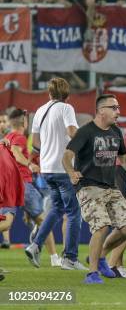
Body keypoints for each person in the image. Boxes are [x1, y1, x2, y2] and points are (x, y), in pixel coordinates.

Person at [63, 94, 126, 284]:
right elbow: (67, 156)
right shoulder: (85, 132)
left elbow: (124, 159)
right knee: (101, 227)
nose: (118, 112)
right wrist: (71, 172)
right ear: (101, 110)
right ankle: (92, 273)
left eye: (118, 108)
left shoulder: (116, 132)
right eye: (114, 108)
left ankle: (101, 257)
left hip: (110, 187)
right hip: (88, 186)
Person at [25, 78, 83, 271]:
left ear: (49, 93)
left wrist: (49, 151)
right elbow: (73, 132)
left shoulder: (40, 111)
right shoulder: (66, 108)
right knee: (74, 213)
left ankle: (35, 245)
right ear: (67, 95)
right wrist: (88, 138)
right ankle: (71, 258)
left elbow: (35, 143)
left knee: (57, 209)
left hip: (47, 169)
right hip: (63, 168)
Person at [1, 109, 60, 266]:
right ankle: (54, 258)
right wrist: (29, 164)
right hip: (23, 184)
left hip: (9, 186)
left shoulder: (7, 137)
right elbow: (16, 152)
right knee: (43, 220)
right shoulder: (19, 137)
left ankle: (35, 236)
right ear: (24, 122)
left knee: (6, 223)